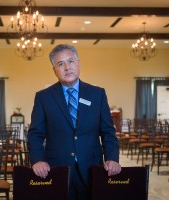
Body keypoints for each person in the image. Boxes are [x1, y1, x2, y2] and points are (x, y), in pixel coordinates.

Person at [27, 44, 121, 200]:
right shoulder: (43, 97)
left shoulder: (97, 94)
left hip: (92, 168)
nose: (67, 67)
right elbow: (35, 134)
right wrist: (37, 160)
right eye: (60, 64)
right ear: (54, 70)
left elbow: (108, 132)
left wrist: (112, 158)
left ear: (78, 64)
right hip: (57, 169)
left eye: (70, 61)